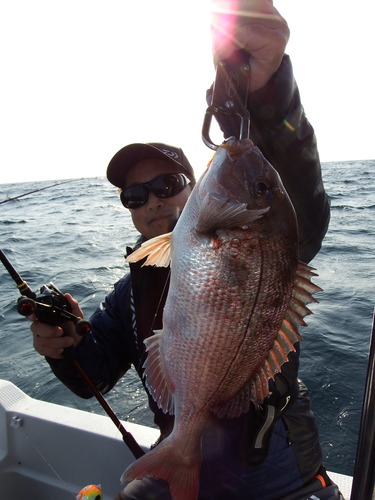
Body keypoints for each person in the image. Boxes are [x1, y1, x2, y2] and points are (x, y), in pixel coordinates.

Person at [30, 1, 342, 499]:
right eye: (135, 196)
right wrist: (63, 347)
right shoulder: (127, 296)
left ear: (194, 186)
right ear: (129, 210)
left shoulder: (266, 238)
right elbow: (92, 377)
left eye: (166, 183)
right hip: (181, 448)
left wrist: (266, 90)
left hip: (275, 462)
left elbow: (297, 196)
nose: (152, 201)